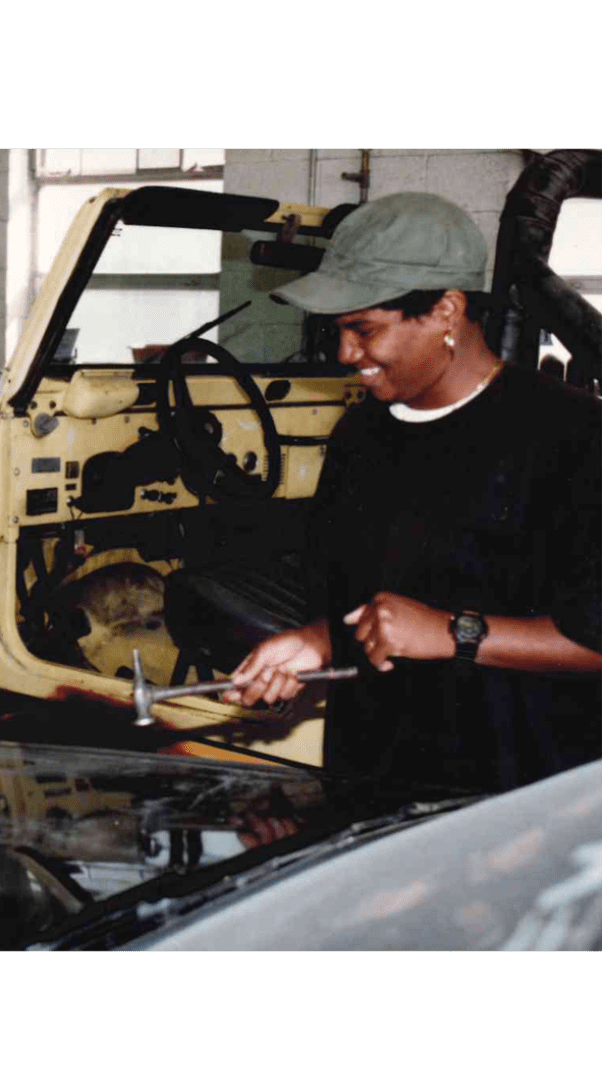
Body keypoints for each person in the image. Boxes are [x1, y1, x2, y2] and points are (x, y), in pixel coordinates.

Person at [225, 192, 602, 795]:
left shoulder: (575, 438)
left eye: (364, 329)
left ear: (447, 311)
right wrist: (317, 640)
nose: (347, 354)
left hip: (515, 805)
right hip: (371, 781)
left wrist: (456, 632)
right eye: (339, 331)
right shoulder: (359, 437)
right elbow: (356, 599)